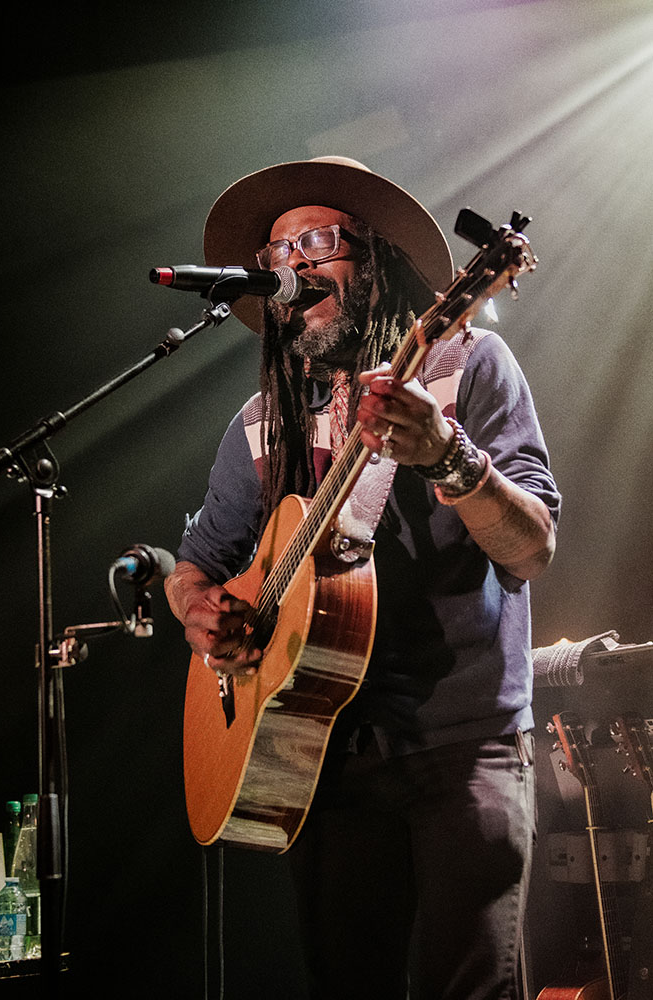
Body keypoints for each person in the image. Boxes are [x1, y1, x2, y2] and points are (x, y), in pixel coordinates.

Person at [165, 156, 560, 1000]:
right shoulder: (262, 418)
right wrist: (205, 612)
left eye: (319, 240)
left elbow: (530, 550)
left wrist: (449, 458)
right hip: (318, 749)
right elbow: (195, 565)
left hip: (464, 744)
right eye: (278, 250)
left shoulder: (467, 365)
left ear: (372, 258)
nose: (295, 264)